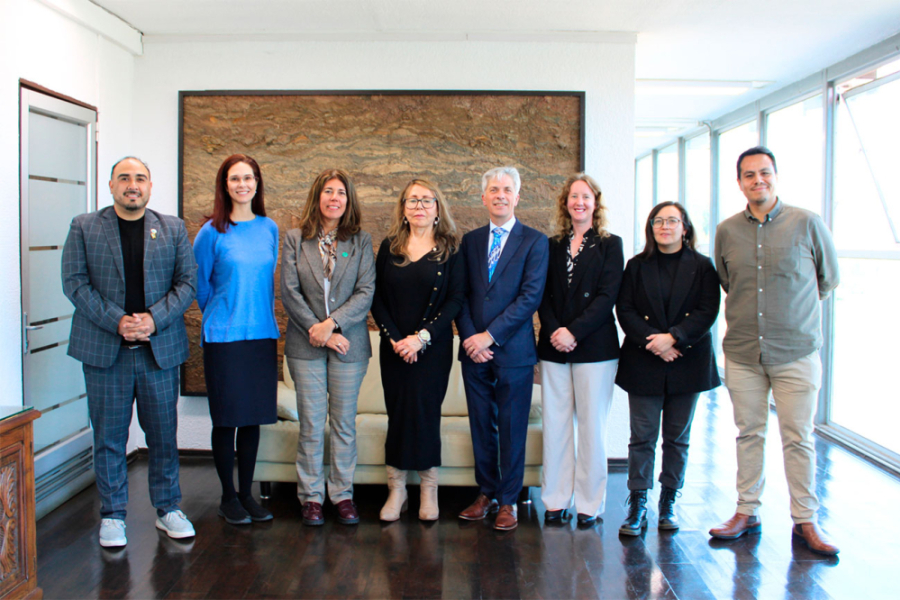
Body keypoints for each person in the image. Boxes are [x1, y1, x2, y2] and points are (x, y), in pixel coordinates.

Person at [710, 146, 840, 555]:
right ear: (740, 183)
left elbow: (828, 279)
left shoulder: (807, 223)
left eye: (764, 173)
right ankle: (746, 511)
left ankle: (805, 521)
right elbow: (729, 281)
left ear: (776, 176)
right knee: (749, 434)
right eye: (749, 175)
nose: (757, 181)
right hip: (745, 352)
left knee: (798, 437)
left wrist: (790, 314)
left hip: (796, 352)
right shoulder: (727, 230)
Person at [62, 157, 198, 547]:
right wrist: (117, 320)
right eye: (124, 178)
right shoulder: (85, 227)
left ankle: (168, 508)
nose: (132, 185)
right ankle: (112, 515)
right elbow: (74, 282)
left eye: (140, 178)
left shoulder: (171, 228)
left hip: (158, 351)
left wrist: (153, 319)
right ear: (111, 185)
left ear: (150, 187)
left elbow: (186, 282)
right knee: (109, 436)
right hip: (107, 351)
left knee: (163, 435)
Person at [615, 201, 720, 536]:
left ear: (685, 227)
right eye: (658, 221)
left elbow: (708, 310)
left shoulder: (703, 267)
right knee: (642, 437)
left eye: (672, 221)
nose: (665, 226)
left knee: (677, 439)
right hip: (644, 360)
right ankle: (637, 504)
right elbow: (625, 309)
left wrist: (674, 339)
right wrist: (654, 341)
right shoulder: (636, 265)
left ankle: (669, 503)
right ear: (651, 227)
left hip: (686, 360)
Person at [456, 166, 549, 531]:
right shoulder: (471, 241)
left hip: (514, 352)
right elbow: (460, 296)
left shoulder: (534, 241)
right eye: (493, 189)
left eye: (507, 189)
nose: (500, 195)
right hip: (473, 352)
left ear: (517, 196)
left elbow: (529, 299)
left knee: (512, 427)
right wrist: (470, 339)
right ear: (483, 197)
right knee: (482, 425)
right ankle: (486, 493)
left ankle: (509, 500)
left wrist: (489, 336)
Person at [281, 168, 375, 527]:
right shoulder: (294, 239)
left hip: (348, 345)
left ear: (348, 201)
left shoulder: (361, 241)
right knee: (310, 424)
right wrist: (316, 330)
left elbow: (365, 291)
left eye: (341, 193)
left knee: (343, 424)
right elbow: (289, 291)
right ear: (317, 197)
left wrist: (331, 325)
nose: (334, 198)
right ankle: (311, 498)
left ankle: (342, 494)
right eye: (328, 192)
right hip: (305, 346)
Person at [370, 178, 466, 521]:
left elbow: (456, 300)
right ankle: (396, 491)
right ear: (403, 208)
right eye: (412, 201)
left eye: (426, 200)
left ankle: (428, 490)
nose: (419, 206)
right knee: (397, 414)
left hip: (432, 350)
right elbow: (376, 298)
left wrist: (421, 338)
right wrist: (396, 339)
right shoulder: (389, 246)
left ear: (437, 208)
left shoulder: (452, 249)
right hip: (394, 349)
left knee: (426, 415)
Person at [193, 154, 280, 525]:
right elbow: (200, 286)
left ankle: (247, 493)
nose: (242, 184)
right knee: (226, 419)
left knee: (252, 419)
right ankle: (228, 497)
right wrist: (224, 314)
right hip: (224, 337)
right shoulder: (211, 232)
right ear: (224, 185)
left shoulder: (269, 228)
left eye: (248, 178)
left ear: (257, 183)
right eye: (234, 179)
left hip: (261, 334)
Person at [537, 173, 623, 527]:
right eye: (574, 197)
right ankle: (555, 500)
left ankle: (589, 504)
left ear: (595, 203)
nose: (580, 203)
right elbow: (542, 293)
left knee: (591, 428)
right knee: (555, 426)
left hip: (595, 348)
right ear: (566, 203)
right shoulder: (552, 244)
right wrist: (556, 330)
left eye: (586, 197)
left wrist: (573, 331)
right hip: (554, 347)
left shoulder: (610, 244)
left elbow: (607, 296)